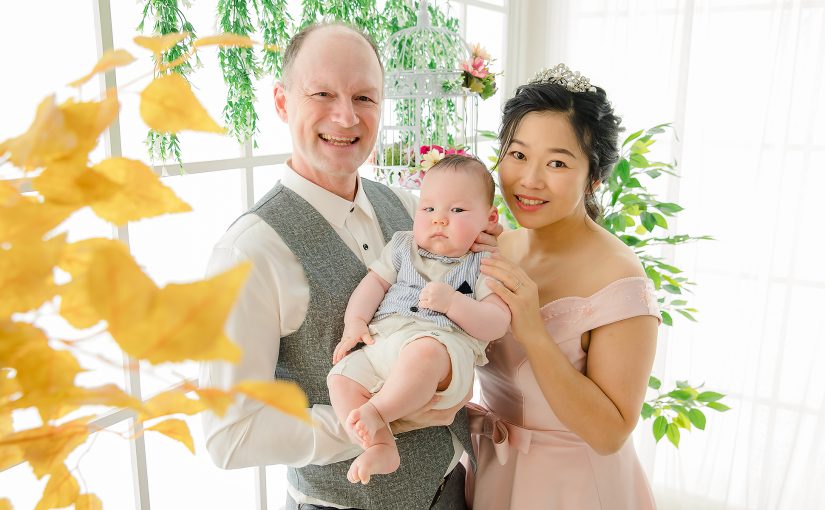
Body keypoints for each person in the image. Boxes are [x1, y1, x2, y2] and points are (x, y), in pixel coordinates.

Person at [199, 22, 499, 510]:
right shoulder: (248, 252)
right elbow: (228, 435)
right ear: (281, 102)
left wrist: (487, 249)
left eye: (364, 98)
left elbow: (470, 303)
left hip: (453, 490)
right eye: (322, 93)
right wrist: (374, 419)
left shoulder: (412, 210)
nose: (345, 116)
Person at [466, 63, 661, 509]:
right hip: (494, 473)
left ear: (593, 177)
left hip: (576, 489)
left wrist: (533, 331)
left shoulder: (620, 278)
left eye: (556, 162)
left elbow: (610, 434)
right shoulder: (495, 250)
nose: (529, 180)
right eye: (517, 155)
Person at [328, 155, 511, 485]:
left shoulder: (485, 262)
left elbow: (497, 322)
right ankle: (381, 445)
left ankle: (378, 412)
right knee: (340, 379)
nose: (439, 219)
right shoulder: (402, 246)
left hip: (442, 349)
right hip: (383, 340)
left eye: (456, 211)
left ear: (489, 218)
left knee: (423, 352)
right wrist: (354, 322)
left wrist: (454, 304)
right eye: (428, 209)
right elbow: (373, 284)